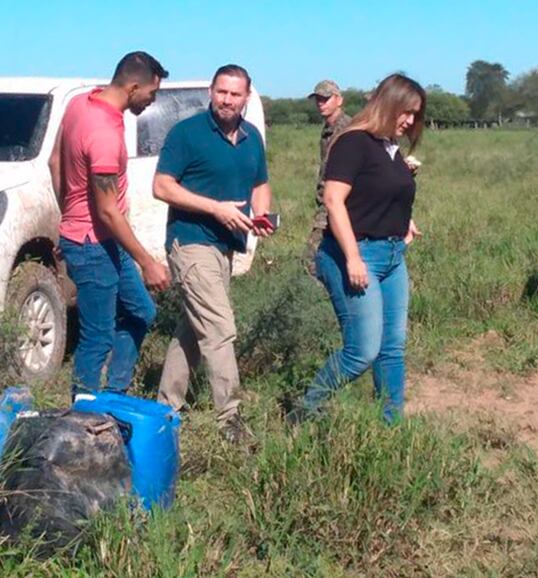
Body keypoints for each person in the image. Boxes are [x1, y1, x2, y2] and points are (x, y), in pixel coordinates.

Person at [291, 74, 425, 424]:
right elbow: (334, 201)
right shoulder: (353, 142)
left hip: (393, 257)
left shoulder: (388, 147)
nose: (410, 121)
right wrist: (352, 257)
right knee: (362, 351)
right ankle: (305, 413)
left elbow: (381, 193)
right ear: (388, 104)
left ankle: (389, 426)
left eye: (415, 115)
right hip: (356, 254)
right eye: (406, 112)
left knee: (392, 349)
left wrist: (402, 222)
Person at [152, 64, 273, 443]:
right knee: (220, 329)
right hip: (190, 241)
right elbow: (162, 187)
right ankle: (231, 422)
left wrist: (261, 217)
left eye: (235, 94)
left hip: (225, 247)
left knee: (192, 330)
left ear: (247, 97)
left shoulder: (252, 137)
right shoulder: (186, 133)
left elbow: (261, 183)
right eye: (222, 92)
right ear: (211, 91)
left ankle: (164, 410)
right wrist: (216, 208)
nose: (227, 100)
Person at [49, 51, 171, 396]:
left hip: (97, 239)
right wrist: (148, 263)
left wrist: (68, 217)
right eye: (151, 93)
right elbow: (107, 211)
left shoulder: (79, 104)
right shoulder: (103, 133)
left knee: (141, 312)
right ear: (133, 87)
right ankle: (82, 418)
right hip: (93, 247)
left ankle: (115, 394)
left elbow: (55, 161)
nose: (151, 101)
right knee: (97, 338)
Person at [303, 80, 351, 275]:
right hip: (328, 202)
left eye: (326, 98)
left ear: (339, 100)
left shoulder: (347, 128)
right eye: (318, 99)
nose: (321, 103)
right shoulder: (327, 129)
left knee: (312, 259)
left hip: (339, 203)